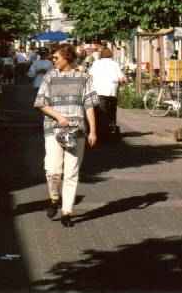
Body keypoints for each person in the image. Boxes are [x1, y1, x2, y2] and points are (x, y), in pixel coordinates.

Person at [34, 44, 98, 227]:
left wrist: (93, 130)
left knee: (71, 172)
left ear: (67, 58)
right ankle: (54, 198)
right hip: (53, 129)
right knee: (53, 170)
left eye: (56, 58)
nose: (53, 61)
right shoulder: (50, 77)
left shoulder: (84, 78)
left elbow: (89, 105)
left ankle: (67, 211)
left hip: (77, 130)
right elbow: (40, 103)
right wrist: (59, 117)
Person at [89, 47, 126, 140]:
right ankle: (111, 129)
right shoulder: (114, 64)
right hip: (111, 91)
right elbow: (122, 78)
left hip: (98, 91)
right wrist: (122, 81)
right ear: (110, 55)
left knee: (100, 112)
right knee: (112, 112)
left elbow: (90, 76)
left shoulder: (96, 63)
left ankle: (100, 131)